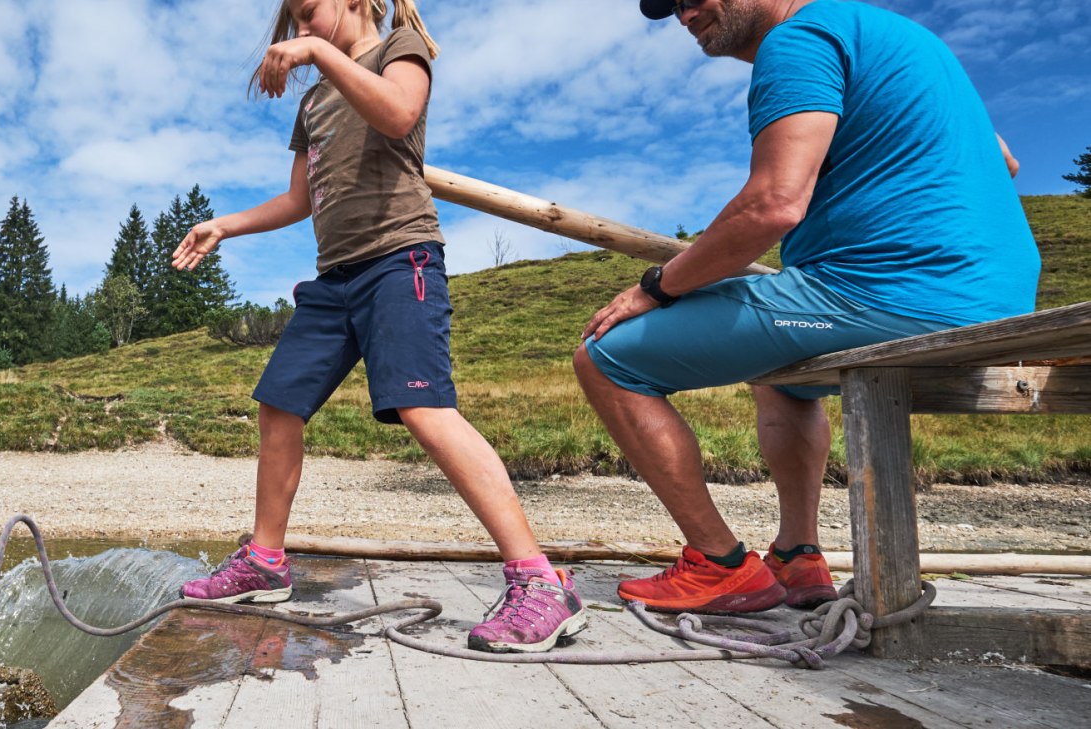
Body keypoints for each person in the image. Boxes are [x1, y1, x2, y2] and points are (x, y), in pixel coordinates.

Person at [576, 0, 1039, 613]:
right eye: (672, 8)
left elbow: (773, 204)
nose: (683, 14)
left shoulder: (798, 39)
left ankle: (718, 565)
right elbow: (1004, 160)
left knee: (606, 357)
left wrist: (654, 288)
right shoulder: (908, 41)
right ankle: (798, 557)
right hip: (997, 296)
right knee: (781, 379)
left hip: (893, 292)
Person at [171, 0, 585, 653]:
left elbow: (398, 114)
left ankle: (539, 582)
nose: (302, 32)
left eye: (309, 15)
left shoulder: (400, 46)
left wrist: (320, 55)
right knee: (277, 405)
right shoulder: (311, 107)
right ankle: (265, 561)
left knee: (423, 408)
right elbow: (298, 200)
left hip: (400, 261)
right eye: (296, 27)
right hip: (333, 279)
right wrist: (224, 223)